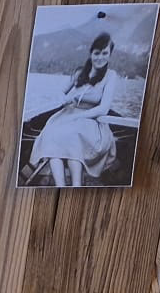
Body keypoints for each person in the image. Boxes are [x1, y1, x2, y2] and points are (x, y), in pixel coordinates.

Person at [32, 32, 118, 188]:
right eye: (97, 53)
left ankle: (76, 186)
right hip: (68, 113)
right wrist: (64, 99)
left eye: (105, 53)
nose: (100, 57)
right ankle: (60, 186)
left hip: (91, 119)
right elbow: (60, 92)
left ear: (110, 55)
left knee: (72, 136)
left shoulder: (111, 76)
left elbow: (103, 109)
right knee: (51, 135)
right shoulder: (80, 73)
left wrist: (78, 117)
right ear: (91, 53)